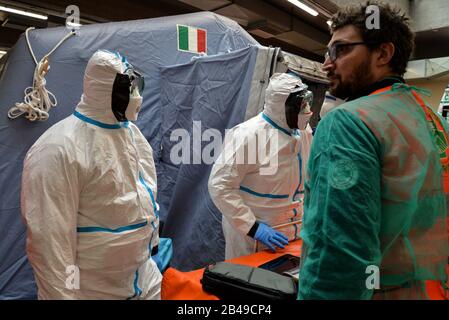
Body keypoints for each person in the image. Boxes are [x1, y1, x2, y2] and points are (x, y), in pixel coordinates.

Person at [298, 1, 449, 300]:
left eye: (340, 50)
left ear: (383, 53)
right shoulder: (428, 117)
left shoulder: (348, 122)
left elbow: (339, 254)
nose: (327, 63)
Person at [21, 50, 162, 299]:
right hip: (94, 290)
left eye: (137, 87)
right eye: (129, 89)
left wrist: (151, 245)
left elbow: (147, 198)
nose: (137, 97)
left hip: (144, 280)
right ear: (107, 90)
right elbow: (50, 244)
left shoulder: (133, 136)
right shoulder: (59, 148)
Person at [208, 72, 314, 259]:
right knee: (248, 281)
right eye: (301, 104)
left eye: (307, 103)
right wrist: (253, 227)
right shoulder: (248, 135)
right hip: (253, 234)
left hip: (293, 230)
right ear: (283, 106)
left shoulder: (304, 133)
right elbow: (220, 186)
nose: (307, 110)